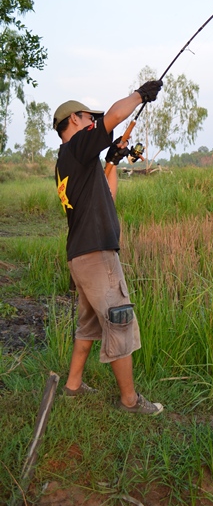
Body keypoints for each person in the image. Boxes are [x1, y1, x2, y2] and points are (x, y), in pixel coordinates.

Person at [53, 80, 164, 415]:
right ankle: (130, 401)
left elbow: (108, 197)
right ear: (74, 119)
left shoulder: (73, 163)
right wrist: (139, 95)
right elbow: (115, 116)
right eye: (89, 118)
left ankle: (72, 387)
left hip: (82, 257)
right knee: (120, 321)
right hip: (96, 256)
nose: (93, 122)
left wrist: (112, 162)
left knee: (89, 325)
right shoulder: (76, 148)